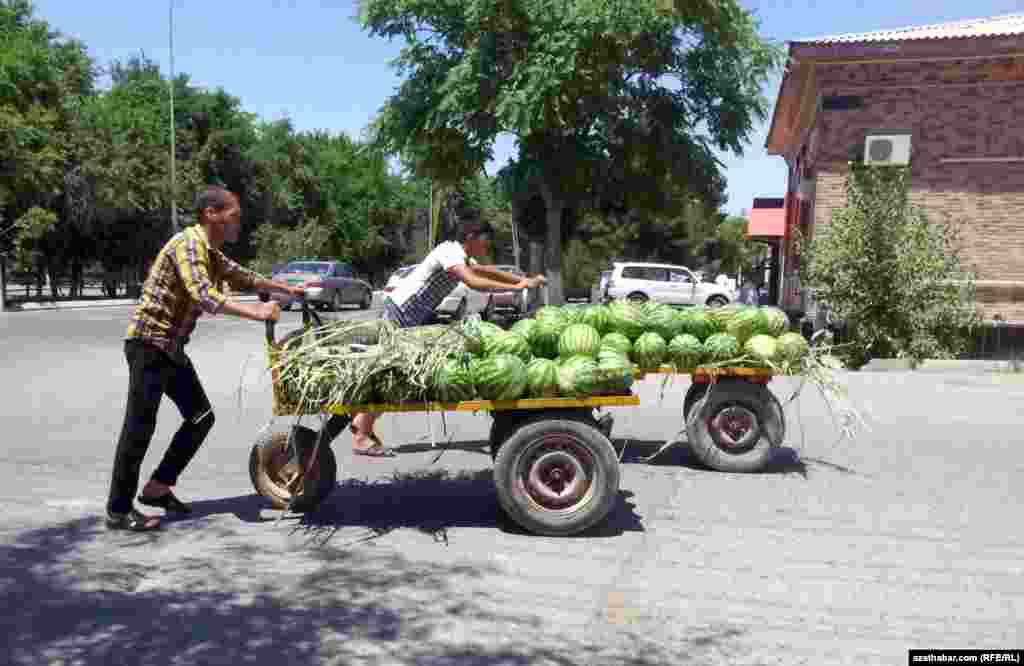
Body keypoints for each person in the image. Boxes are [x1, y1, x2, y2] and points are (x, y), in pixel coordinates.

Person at [106, 186, 305, 532]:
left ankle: (157, 488)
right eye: (234, 215)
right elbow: (202, 293)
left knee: (200, 417)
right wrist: (258, 313)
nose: (238, 222)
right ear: (210, 213)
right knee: (139, 428)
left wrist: (289, 290)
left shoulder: (210, 250)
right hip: (148, 345)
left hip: (170, 349)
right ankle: (118, 510)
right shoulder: (189, 244)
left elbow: (242, 275)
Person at [350, 220, 547, 456]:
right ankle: (361, 433)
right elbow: (473, 281)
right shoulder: (449, 251)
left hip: (410, 316)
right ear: (472, 236)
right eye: (485, 241)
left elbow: (485, 271)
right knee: (396, 375)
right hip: (400, 314)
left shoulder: (461, 255)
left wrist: (522, 280)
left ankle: (362, 425)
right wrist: (517, 288)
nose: (486, 247)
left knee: (397, 374)